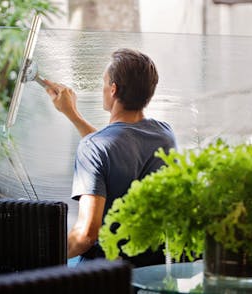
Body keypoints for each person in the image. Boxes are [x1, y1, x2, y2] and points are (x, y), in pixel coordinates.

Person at [44, 48, 176, 267]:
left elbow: (86, 235)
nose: (102, 88)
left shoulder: (94, 147)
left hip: (105, 274)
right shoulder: (165, 135)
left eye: (104, 83)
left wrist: (40, 256)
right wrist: (73, 115)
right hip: (151, 269)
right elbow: (119, 146)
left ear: (113, 90)